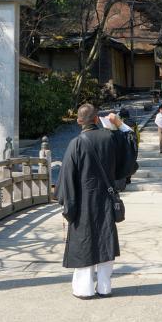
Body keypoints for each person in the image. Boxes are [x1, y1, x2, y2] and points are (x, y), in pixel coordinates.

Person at [57, 104, 135, 299]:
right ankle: (105, 287)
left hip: (83, 201)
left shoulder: (76, 143)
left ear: (78, 121)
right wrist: (120, 124)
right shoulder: (110, 137)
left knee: (85, 242)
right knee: (105, 240)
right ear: (96, 119)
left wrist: (67, 202)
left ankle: (84, 289)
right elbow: (129, 149)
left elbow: (66, 176)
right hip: (106, 199)